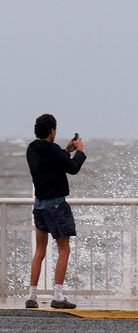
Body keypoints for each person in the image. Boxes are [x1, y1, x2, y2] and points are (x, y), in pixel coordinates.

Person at [25, 114, 86, 309]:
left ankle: (31, 295)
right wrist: (80, 152)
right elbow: (73, 168)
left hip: (39, 206)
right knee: (64, 250)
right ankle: (58, 295)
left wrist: (66, 150)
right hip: (57, 206)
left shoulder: (32, 149)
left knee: (39, 251)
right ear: (53, 131)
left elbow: (52, 159)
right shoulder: (53, 151)